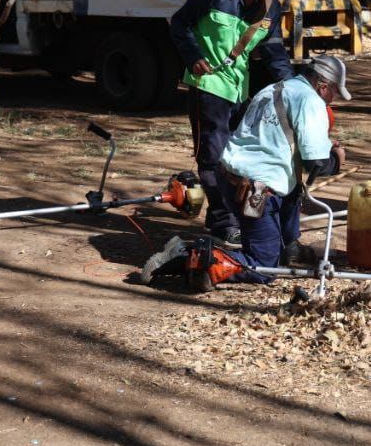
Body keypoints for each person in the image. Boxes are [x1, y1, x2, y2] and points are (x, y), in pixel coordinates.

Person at [140, 55, 350, 290]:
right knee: (263, 268)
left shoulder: (274, 88)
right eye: (334, 93)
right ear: (322, 86)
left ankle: (288, 247)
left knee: (292, 193)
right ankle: (190, 257)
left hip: (231, 176)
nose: (333, 100)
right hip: (256, 190)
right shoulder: (311, 101)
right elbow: (316, 164)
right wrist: (336, 159)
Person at [168, 0, 295, 247]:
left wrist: (293, 87)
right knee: (213, 158)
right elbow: (179, 24)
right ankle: (225, 222)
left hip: (240, 90)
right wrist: (193, 56)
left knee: (240, 160)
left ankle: (220, 216)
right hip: (208, 85)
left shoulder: (271, 9)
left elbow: (274, 54)